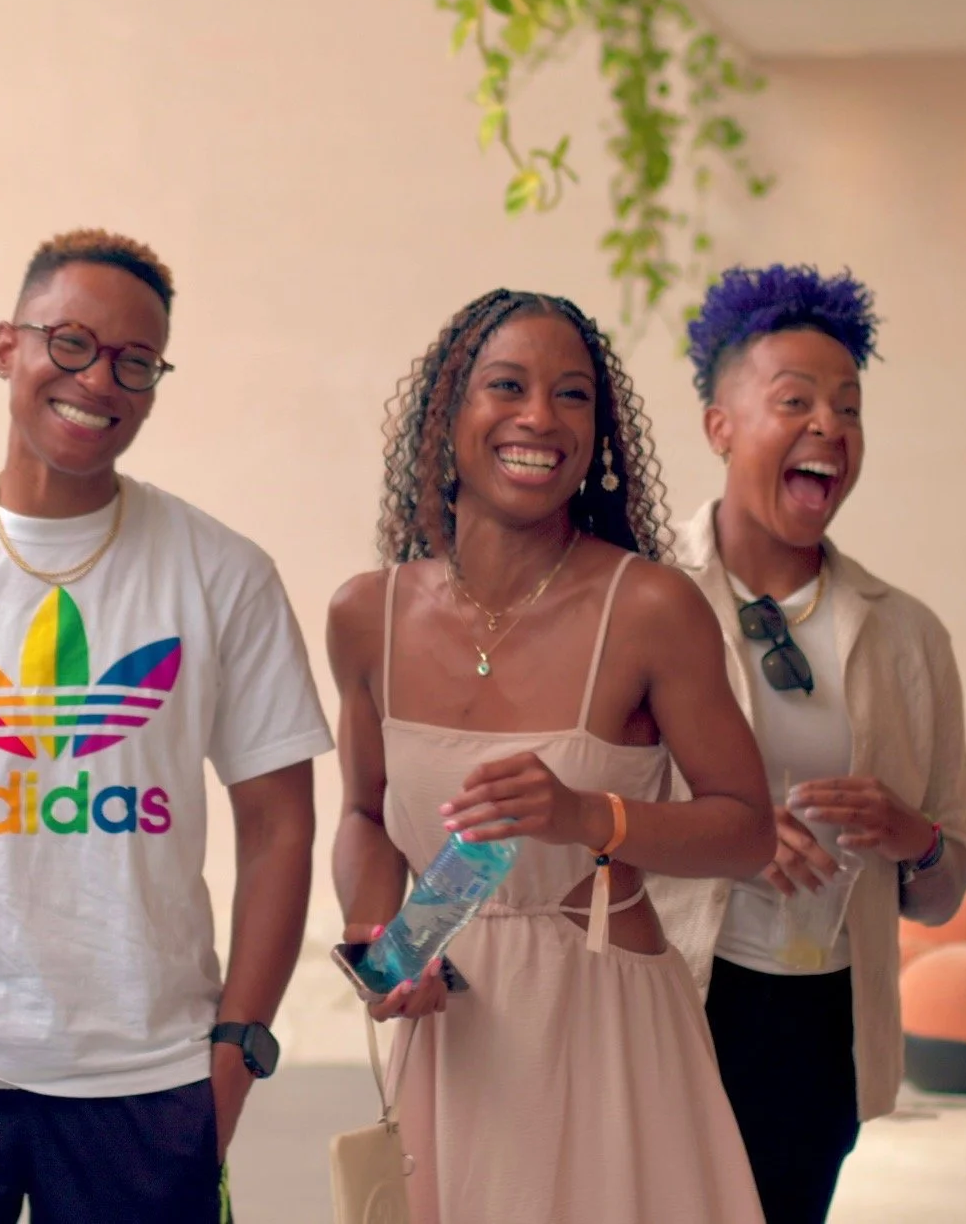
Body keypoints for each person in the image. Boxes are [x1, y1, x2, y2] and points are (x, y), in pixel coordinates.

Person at [0, 229, 329, 1224]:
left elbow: (280, 827)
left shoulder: (222, 573)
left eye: (135, 361)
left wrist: (233, 1061)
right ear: (7, 348)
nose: (98, 381)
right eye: (70, 344)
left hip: (147, 1080)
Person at [327, 287, 776, 1224]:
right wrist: (382, 944)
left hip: (603, 1028)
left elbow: (746, 829)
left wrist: (590, 816)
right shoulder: (365, 614)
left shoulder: (652, 606)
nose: (539, 416)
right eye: (507, 385)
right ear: (447, 413)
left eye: (572, 395)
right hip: (447, 1036)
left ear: (597, 437)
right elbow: (366, 815)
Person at [647, 263, 966, 1221]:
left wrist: (908, 831)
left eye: (849, 406)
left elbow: (946, 885)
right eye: (794, 400)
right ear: (719, 426)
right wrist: (729, 832)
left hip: (825, 1023)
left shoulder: (907, 634)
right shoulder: (640, 595)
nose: (828, 425)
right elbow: (588, 816)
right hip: (676, 999)